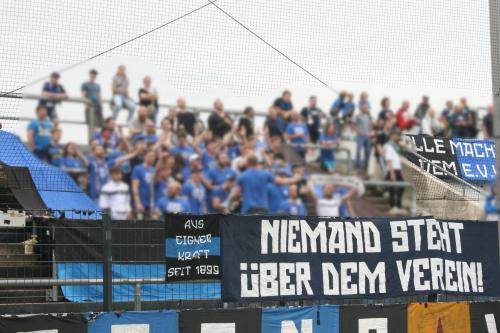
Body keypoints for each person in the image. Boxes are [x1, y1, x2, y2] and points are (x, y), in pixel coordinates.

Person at [234, 155, 301, 213]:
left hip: (248, 209)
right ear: (257, 163)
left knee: (248, 228)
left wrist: (236, 198)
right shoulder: (265, 174)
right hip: (262, 208)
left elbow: (235, 194)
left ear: (247, 163)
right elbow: (280, 181)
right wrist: (294, 179)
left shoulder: (242, 176)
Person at [383, 129, 405, 214]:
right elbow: (389, 160)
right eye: (396, 135)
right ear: (391, 135)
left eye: (398, 135)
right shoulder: (389, 146)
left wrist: (401, 172)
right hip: (393, 170)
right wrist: (392, 173)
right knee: (392, 189)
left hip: (397, 169)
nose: (398, 137)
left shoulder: (396, 146)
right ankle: (393, 207)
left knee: (401, 188)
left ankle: (398, 206)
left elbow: (397, 160)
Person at [131, 150, 156, 218]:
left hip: (152, 202)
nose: (152, 158)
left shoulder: (154, 170)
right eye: (150, 156)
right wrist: (138, 202)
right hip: (142, 202)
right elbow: (135, 186)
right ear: (145, 156)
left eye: (154, 156)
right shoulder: (138, 168)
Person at [354, 102, 372, 172]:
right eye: (364, 107)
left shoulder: (368, 116)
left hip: (367, 137)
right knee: (358, 152)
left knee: (367, 152)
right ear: (361, 107)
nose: (365, 108)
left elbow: (370, 125)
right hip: (360, 136)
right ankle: (357, 167)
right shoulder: (357, 116)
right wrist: (359, 132)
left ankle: (366, 166)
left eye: (366, 107)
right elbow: (354, 126)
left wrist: (370, 132)